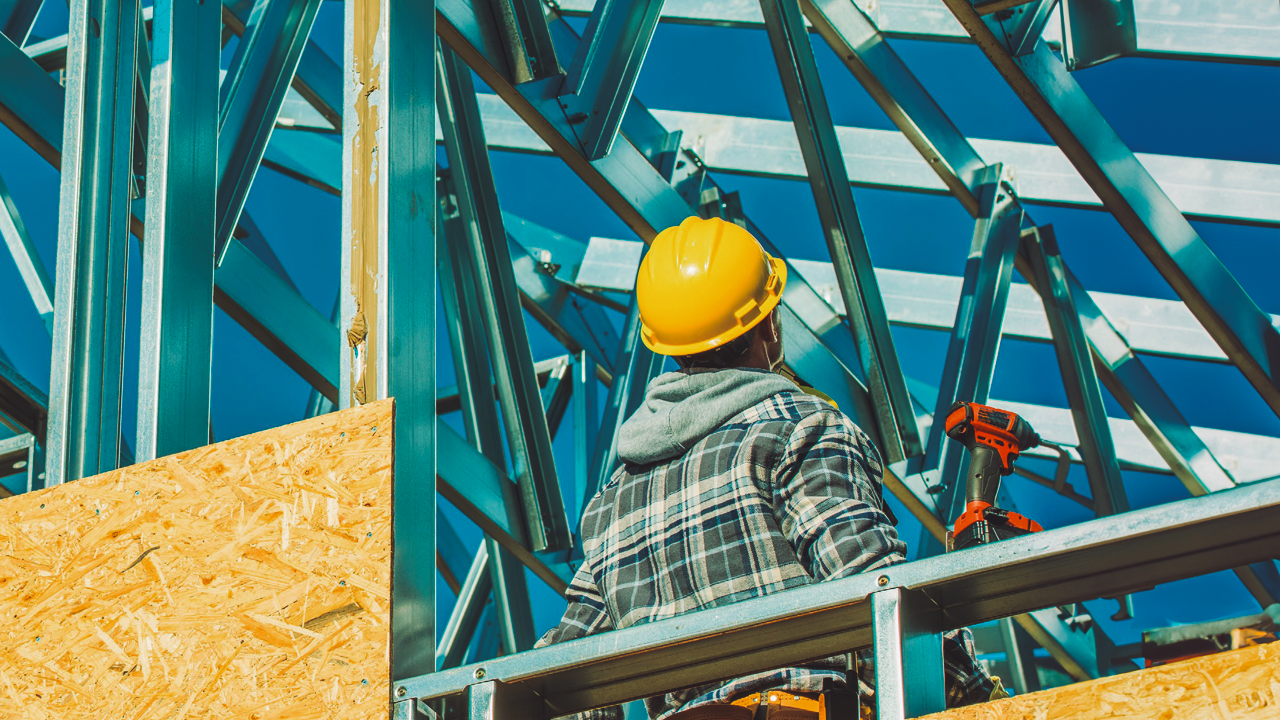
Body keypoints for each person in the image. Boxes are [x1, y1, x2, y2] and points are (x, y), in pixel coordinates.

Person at [536, 217, 998, 719]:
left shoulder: (612, 502)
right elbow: (874, 588)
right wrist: (977, 695)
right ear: (769, 324)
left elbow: (567, 675)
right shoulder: (801, 429)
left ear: (665, 343)